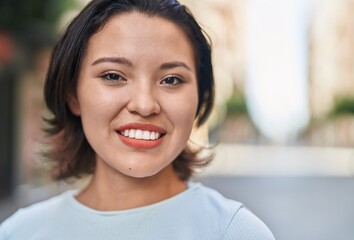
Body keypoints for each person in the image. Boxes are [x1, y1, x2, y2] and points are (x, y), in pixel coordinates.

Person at [0, 0, 275, 239]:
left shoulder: (234, 232)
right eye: (113, 76)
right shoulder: (20, 232)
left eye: (171, 80)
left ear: (198, 99)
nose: (144, 105)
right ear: (73, 95)